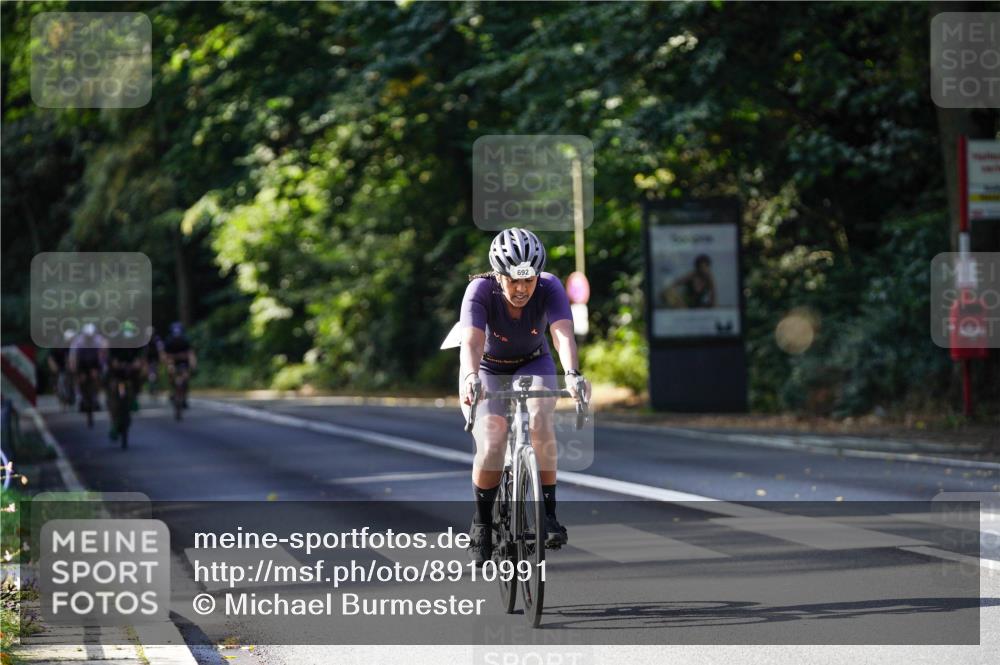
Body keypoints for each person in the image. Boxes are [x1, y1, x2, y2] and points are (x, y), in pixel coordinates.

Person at [459, 228, 591, 566]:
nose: (521, 289)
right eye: (513, 281)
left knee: (541, 417)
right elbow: (472, 343)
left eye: (528, 281)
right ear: (499, 275)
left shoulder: (550, 287)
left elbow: (562, 334)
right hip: (487, 367)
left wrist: (573, 374)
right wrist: (472, 377)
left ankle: (547, 514)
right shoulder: (480, 290)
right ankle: (482, 523)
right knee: (492, 439)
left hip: (534, 362)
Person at [68, 323, 109, 413]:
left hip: (94, 363)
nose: (89, 338)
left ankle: (96, 398)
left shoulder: (99, 340)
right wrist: (74, 369)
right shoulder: (78, 341)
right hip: (82, 363)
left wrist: (101, 368)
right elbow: (73, 356)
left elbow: (103, 355)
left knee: (98, 377)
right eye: (87, 336)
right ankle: (79, 398)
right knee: (78, 379)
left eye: (91, 336)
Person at [160, 322, 197, 408]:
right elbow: (164, 355)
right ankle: (172, 390)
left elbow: (191, 354)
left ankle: (184, 397)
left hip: (184, 363)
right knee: (171, 371)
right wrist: (167, 361)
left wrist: (193, 365)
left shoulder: (186, 340)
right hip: (172, 362)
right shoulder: (168, 341)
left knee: (186, 377)